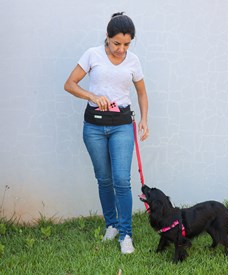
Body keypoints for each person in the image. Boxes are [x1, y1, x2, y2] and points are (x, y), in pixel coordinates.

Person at [64, 12, 149, 254]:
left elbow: (142, 92)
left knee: (122, 180)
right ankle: (111, 224)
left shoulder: (133, 61)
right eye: (116, 44)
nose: (121, 49)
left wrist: (144, 119)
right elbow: (70, 84)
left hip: (122, 125)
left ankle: (126, 234)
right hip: (94, 127)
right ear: (107, 38)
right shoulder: (92, 55)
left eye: (127, 44)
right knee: (104, 179)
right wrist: (92, 96)